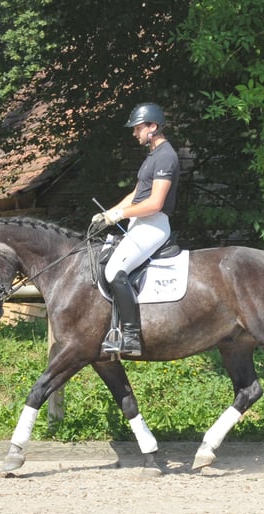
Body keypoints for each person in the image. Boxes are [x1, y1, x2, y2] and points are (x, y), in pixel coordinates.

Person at [92, 102, 180, 356]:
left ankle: (131, 337)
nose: (134, 133)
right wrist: (109, 212)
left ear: (153, 127)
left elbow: (154, 203)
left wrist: (120, 214)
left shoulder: (166, 156)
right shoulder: (152, 157)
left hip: (154, 225)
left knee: (114, 270)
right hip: (140, 224)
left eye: (138, 128)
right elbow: (136, 194)